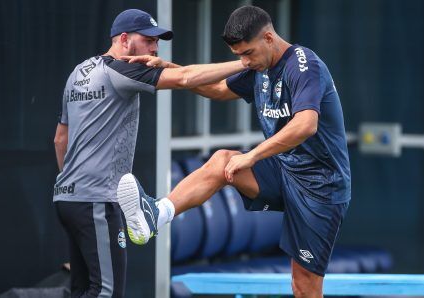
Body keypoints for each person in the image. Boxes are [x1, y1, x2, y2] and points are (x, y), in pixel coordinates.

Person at [117, 5, 351, 298]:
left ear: (268, 38)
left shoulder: (303, 65)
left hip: (320, 187)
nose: (244, 61)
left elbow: (306, 125)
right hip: (285, 171)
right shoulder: (258, 66)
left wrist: (252, 155)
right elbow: (216, 89)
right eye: (239, 55)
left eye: (248, 53)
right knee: (222, 162)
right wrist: (168, 69)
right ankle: (155, 216)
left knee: (303, 286)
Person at [53, 8, 246, 298]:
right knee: (106, 292)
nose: (154, 48)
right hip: (97, 201)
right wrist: (244, 63)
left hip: (67, 197)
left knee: (82, 290)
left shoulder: (78, 73)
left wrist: (73, 184)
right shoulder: (122, 68)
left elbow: (59, 139)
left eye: (157, 41)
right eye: (148, 40)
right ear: (124, 39)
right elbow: (184, 79)